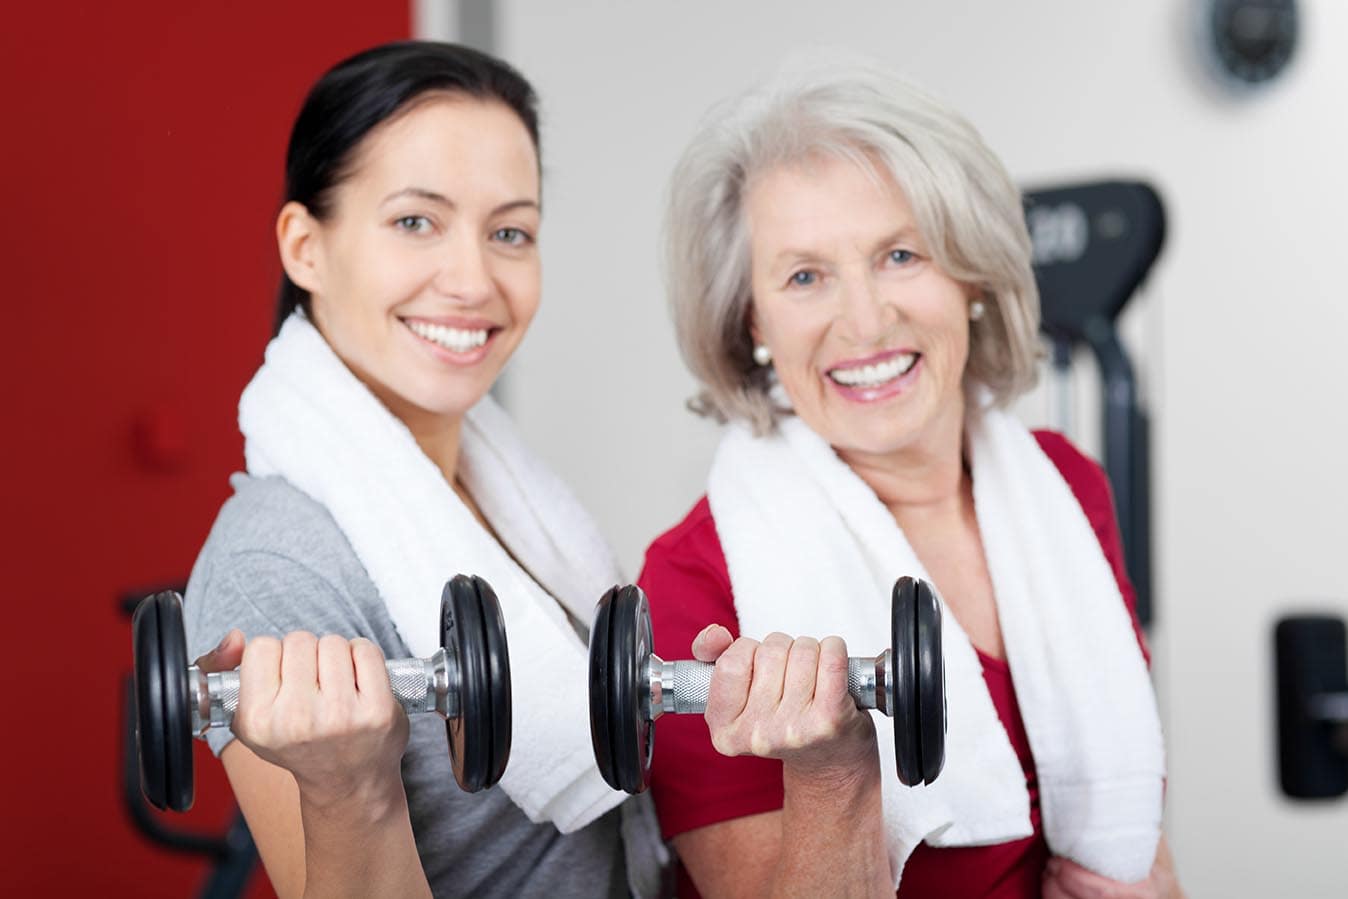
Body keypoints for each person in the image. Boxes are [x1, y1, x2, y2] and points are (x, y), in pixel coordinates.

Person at [638, 61, 1184, 898]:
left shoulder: (1066, 489)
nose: (863, 320)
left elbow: (1140, 830)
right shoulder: (690, 583)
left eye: (899, 254)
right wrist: (832, 776)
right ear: (753, 319)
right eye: (805, 276)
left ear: (968, 273)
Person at [183, 41, 662, 899]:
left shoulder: (508, 496)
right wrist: (349, 787)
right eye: (416, 221)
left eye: (509, 231)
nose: (474, 279)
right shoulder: (273, 568)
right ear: (306, 248)